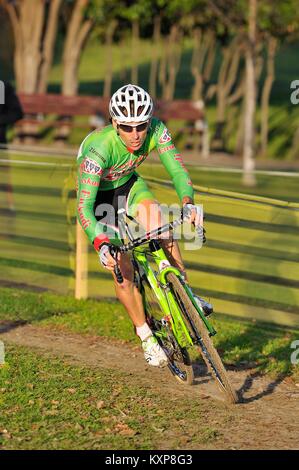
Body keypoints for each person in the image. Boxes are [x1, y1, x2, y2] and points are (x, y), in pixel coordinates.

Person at [76, 84, 212, 367]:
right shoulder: (98, 151)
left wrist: (188, 202)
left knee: (162, 228)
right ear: (114, 123)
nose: (135, 135)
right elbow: (84, 208)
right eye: (127, 127)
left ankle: (185, 294)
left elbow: (176, 169)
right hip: (99, 200)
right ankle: (146, 335)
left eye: (141, 126)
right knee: (122, 269)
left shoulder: (157, 130)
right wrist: (101, 244)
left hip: (129, 186)